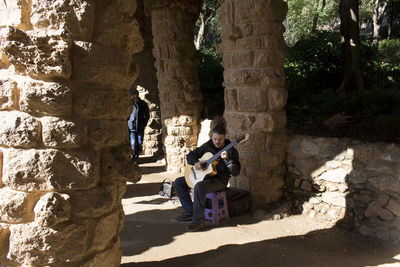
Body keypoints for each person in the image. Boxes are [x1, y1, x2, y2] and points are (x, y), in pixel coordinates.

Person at [174, 117, 241, 232]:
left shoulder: (231, 150)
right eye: (215, 138)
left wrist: (227, 160)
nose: (217, 142)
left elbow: (236, 172)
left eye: (220, 139)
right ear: (211, 137)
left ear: (224, 137)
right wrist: (196, 163)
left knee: (199, 186)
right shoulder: (209, 145)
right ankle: (190, 211)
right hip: (204, 177)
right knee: (179, 182)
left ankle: (198, 221)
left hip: (219, 180)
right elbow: (190, 155)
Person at [127, 87, 149, 164]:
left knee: (139, 143)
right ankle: (134, 158)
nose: (131, 96)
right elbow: (126, 115)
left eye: (132, 95)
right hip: (131, 126)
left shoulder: (143, 104)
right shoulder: (129, 104)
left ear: (136, 95)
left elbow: (147, 115)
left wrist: (144, 123)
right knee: (133, 143)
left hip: (140, 126)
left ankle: (136, 155)